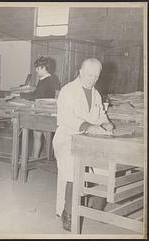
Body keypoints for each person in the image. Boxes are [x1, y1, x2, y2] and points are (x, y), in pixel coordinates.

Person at [52, 58, 114, 231]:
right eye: (89, 75)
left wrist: (106, 122)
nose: (93, 79)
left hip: (90, 141)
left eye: (96, 76)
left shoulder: (96, 93)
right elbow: (66, 118)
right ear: (80, 72)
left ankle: (97, 209)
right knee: (74, 169)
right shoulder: (68, 91)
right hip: (68, 138)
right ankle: (68, 212)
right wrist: (88, 126)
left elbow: (100, 113)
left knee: (107, 166)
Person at [20, 56, 60, 158]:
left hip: (45, 112)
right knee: (40, 136)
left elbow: (37, 95)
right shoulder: (45, 79)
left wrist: (22, 95)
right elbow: (37, 93)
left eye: (38, 68)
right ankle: (38, 157)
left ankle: (48, 158)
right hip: (42, 111)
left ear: (43, 68)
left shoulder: (48, 80)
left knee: (44, 136)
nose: (36, 71)